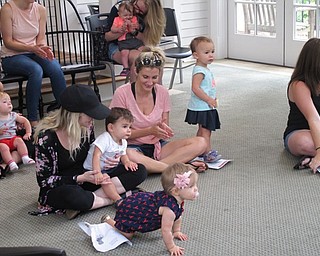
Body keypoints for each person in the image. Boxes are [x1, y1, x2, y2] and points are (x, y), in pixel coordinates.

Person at [33, 84, 147, 219]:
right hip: (64, 185)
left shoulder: (87, 126)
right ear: (75, 115)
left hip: (90, 177)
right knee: (75, 196)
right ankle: (114, 198)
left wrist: (108, 161)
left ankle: (92, 202)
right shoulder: (46, 138)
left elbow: (93, 154)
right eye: (90, 114)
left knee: (139, 170)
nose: (93, 119)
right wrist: (80, 178)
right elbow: (45, 181)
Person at [109, 47, 208, 173]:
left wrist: (163, 130)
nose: (150, 82)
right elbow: (117, 134)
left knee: (201, 142)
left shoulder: (162, 92)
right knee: (128, 154)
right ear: (136, 71)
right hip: (131, 147)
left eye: (154, 77)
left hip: (158, 146)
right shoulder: (122, 93)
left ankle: (153, 167)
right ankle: (176, 168)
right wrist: (149, 131)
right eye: (145, 77)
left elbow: (164, 125)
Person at [101, 163, 199, 256]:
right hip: (132, 212)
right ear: (176, 191)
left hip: (141, 204)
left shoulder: (178, 200)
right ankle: (108, 220)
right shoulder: (169, 210)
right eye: (191, 186)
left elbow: (179, 216)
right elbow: (166, 231)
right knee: (128, 235)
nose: (196, 189)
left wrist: (176, 231)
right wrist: (172, 247)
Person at [0, 0, 67, 127]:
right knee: (36, 70)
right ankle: (33, 119)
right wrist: (32, 48)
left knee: (55, 67)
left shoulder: (41, 9)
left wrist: (43, 48)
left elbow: (40, 38)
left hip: (34, 52)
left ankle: (65, 112)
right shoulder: (7, 9)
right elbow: (8, 42)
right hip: (11, 56)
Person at [83, 107, 143, 205]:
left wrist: (127, 162)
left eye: (130, 127)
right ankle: (118, 200)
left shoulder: (123, 141)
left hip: (109, 169)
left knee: (138, 170)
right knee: (106, 180)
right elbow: (96, 156)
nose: (129, 130)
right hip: (93, 170)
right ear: (111, 128)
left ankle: (105, 195)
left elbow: (123, 154)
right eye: (125, 127)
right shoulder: (105, 139)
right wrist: (97, 173)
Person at [283, 38, 320, 174]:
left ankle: (311, 158)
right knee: (306, 143)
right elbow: (314, 119)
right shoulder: (299, 85)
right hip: (300, 131)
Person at [105, 0, 165, 81]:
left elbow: (148, 40)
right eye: (137, 7)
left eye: (141, 12)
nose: (137, 11)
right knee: (139, 59)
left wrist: (134, 31)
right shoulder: (120, 7)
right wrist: (123, 30)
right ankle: (135, 91)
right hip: (118, 45)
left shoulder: (147, 15)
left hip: (137, 43)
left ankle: (156, 91)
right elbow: (107, 37)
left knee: (156, 58)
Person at [184, 36, 221, 163]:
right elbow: (196, 88)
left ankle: (197, 149)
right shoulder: (199, 71)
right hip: (203, 106)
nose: (211, 55)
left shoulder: (204, 69)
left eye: (212, 51)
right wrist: (209, 99)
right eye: (206, 53)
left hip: (205, 105)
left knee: (202, 129)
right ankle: (207, 152)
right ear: (196, 55)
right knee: (206, 130)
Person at [0, 92, 34, 177]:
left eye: (10, 101)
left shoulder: (13, 115)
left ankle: (24, 157)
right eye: (5, 102)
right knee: (3, 147)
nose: (9, 103)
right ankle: (10, 163)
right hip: (2, 141)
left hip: (13, 138)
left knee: (21, 140)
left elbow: (25, 121)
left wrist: (28, 132)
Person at [111, 1, 144, 77]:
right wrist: (119, 30)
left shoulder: (134, 19)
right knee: (124, 53)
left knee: (142, 49)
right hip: (123, 41)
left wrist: (135, 27)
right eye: (125, 15)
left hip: (133, 39)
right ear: (119, 14)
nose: (128, 17)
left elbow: (137, 28)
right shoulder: (117, 20)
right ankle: (125, 68)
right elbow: (112, 29)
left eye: (130, 15)